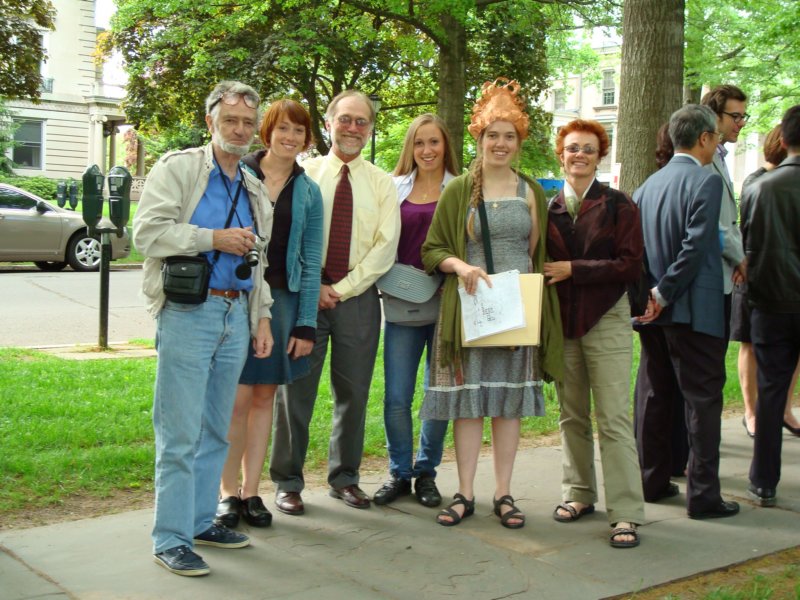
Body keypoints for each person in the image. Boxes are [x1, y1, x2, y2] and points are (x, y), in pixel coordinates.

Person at [133, 81, 274, 576]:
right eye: (230, 120)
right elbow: (146, 234)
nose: (239, 129)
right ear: (211, 120)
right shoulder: (180, 168)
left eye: (247, 123)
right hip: (189, 312)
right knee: (179, 431)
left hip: (236, 315)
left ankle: (197, 521)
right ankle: (169, 538)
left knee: (217, 427)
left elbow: (259, 261)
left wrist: (262, 317)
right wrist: (211, 238)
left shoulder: (253, 186)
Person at [420, 78, 563, 529]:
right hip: (470, 308)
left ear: (519, 142)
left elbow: (534, 252)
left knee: (507, 404)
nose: (500, 143)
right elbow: (432, 249)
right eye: (492, 135)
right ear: (478, 138)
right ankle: (464, 492)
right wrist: (461, 267)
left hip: (515, 310)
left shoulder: (530, 192)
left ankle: (504, 492)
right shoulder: (458, 190)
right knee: (468, 404)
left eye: (509, 136)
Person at [269, 90, 400, 514]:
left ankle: (345, 478)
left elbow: (385, 247)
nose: (353, 128)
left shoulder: (382, 184)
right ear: (328, 123)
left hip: (358, 300)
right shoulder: (302, 175)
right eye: (345, 119)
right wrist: (315, 290)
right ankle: (287, 481)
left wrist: (340, 290)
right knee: (294, 392)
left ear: (370, 129)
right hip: (303, 299)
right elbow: (287, 238)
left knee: (354, 394)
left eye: (362, 121)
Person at [215, 100, 323, 528]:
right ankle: (227, 493)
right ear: (267, 132)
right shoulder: (238, 175)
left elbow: (311, 261)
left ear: (306, 138)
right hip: (239, 297)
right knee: (236, 399)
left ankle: (252, 492)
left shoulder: (309, 191)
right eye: (283, 128)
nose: (290, 137)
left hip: (284, 302)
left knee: (264, 399)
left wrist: (306, 322)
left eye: (299, 131)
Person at [633, 104, 739, 520]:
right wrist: (664, 291)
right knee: (703, 402)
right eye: (714, 136)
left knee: (655, 396)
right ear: (703, 139)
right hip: (693, 310)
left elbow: (637, 251)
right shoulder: (706, 182)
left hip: (654, 313)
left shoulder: (647, 187)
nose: (716, 143)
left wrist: (649, 295)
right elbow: (695, 247)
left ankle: (653, 481)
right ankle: (704, 495)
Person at [544, 119, 645, 548]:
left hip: (606, 318)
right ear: (561, 155)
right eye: (572, 149)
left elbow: (629, 264)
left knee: (615, 418)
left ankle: (625, 512)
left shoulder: (619, 204)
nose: (579, 155)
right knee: (571, 415)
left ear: (599, 155)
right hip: (564, 323)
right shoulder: (548, 209)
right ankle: (579, 493)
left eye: (588, 148)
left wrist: (574, 270)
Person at [373, 114, 458, 507]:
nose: (427, 150)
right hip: (403, 303)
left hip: (447, 305)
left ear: (446, 147)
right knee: (397, 396)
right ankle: (399, 472)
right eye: (419, 143)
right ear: (411, 148)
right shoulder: (393, 188)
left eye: (434, 143)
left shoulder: (460, 189)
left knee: (437, 394)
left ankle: (426, 472)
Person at [742, 104, 800, 507]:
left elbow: (748, 248)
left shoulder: (761, 186)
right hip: (776, 298)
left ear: (783, 140)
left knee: (772, 391)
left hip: (773, 302)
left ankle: (764, 481)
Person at [733, 125, 800, 439]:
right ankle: (751, 411)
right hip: (756, 279)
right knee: (750, 344)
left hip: (783, 283)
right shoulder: (756, 182)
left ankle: (784, 409)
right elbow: (745, 235)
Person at [701, 85, 748, 337]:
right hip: (708, 280)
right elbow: (714, 222)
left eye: (743, 116)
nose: (741, 123)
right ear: (714, 115)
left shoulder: (719, 156)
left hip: (721, 278)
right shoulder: (705, 159)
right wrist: (740, 259)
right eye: (735, 116)